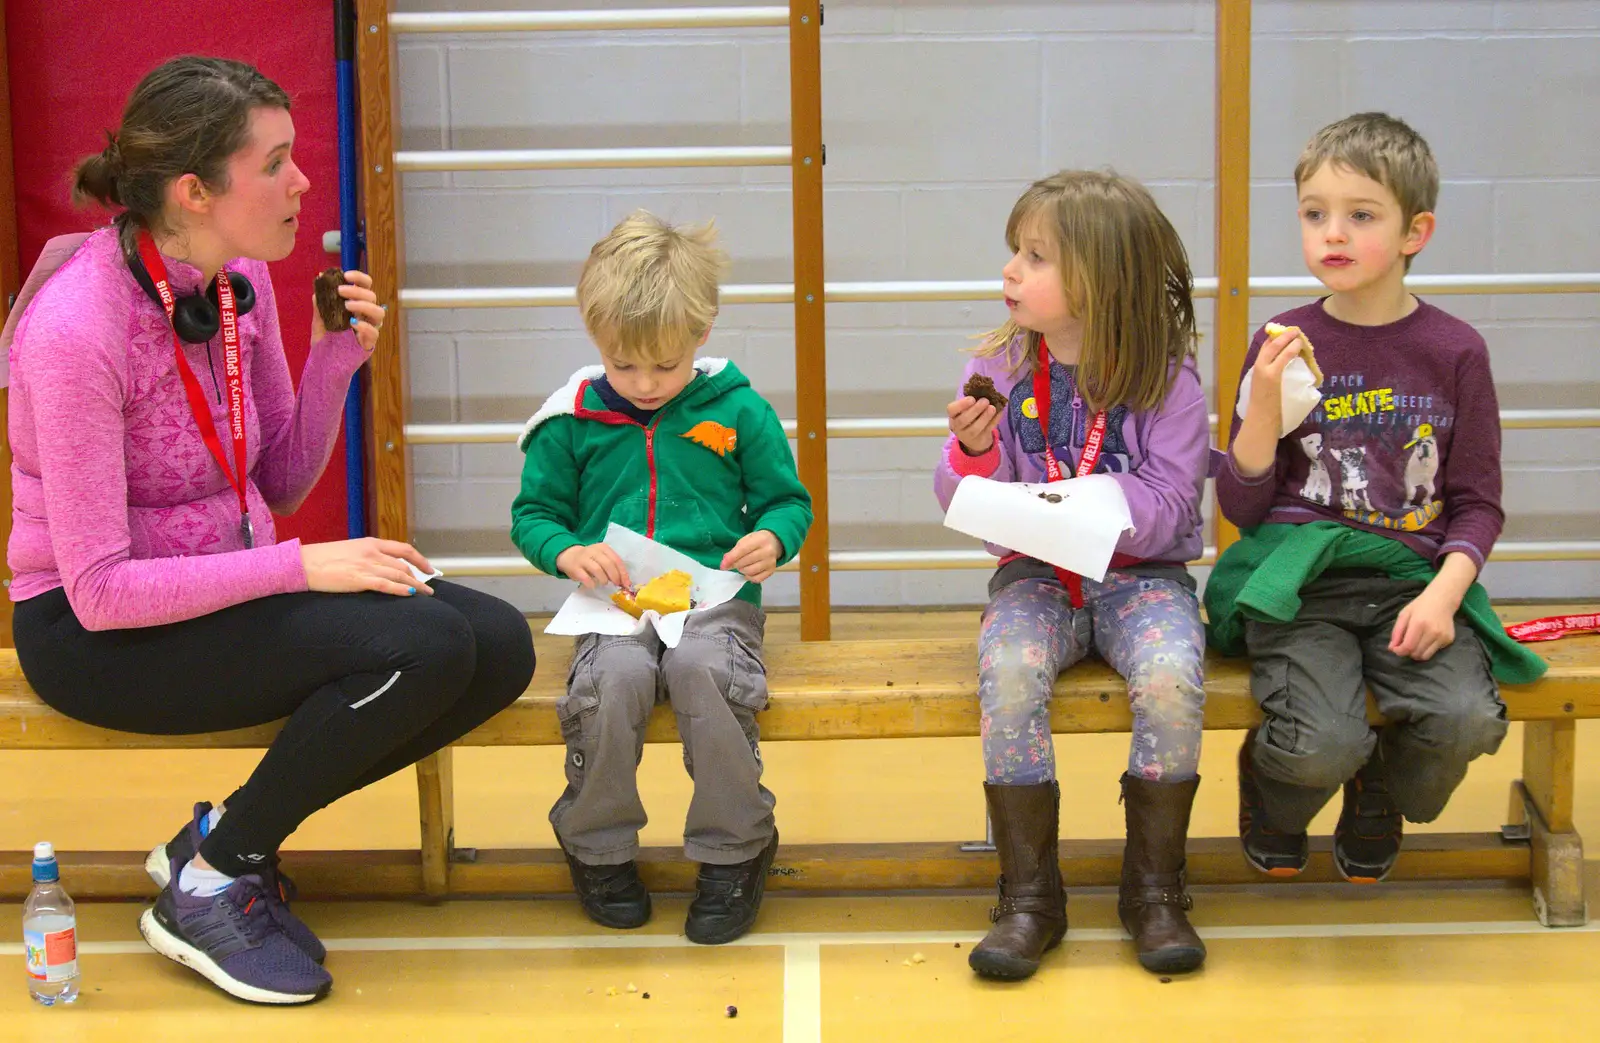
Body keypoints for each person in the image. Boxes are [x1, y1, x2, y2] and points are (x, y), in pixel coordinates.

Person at [5, 56, 536, 1005]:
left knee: (495, 646)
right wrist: (300, 570)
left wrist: (338, 359)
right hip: (89, 632)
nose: (302, 183)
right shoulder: (76, 332)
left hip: (226, 584)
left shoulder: (237, 277)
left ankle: (218, 850)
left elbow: (281, 480)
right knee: (421, 644)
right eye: (277, 163)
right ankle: (215, 877)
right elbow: (97, 589)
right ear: (195, 192)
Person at [1207, 112, 1544, 888]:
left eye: (1361, 216)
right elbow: (1241, 505)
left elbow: (1478, 503)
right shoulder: (1281, 338)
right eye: (1315, 213)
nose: (1333, 232)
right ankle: (1273, 788)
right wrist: (1261, 402)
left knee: (1466, 722)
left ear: (1414, 231)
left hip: (1410, 586)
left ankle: (1379, 786)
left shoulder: (1455, 350)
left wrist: (1443, 596)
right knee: (1319, 743)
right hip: (1305, 590)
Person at [933, 170, 1212, 979]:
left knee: (1170, 676)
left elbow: (1170, 506)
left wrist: (1069, 501)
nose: (1011, 272)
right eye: (1014, 252)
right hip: (1036, 579)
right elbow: (962, 500)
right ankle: (1029, 896)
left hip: (1144, 580)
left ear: (1101, 279)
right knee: (1010, 672)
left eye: (1036, 257)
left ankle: (1154, 889)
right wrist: (978, 455)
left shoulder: (1168, 380)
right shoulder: (1000, 368)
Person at [511, 211, 812, 945]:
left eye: (664, 365)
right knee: (611, 685)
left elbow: (786, 500)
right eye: (623, 365)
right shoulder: (569, 420)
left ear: (701, 335)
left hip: (715, 601)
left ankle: (736, 850)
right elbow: (534, 515)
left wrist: (774, 536)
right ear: (596, 343)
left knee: (707, 673)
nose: (645, 383)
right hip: (612, 604)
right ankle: (598, 846)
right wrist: (565, 553)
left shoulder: (739, 408)